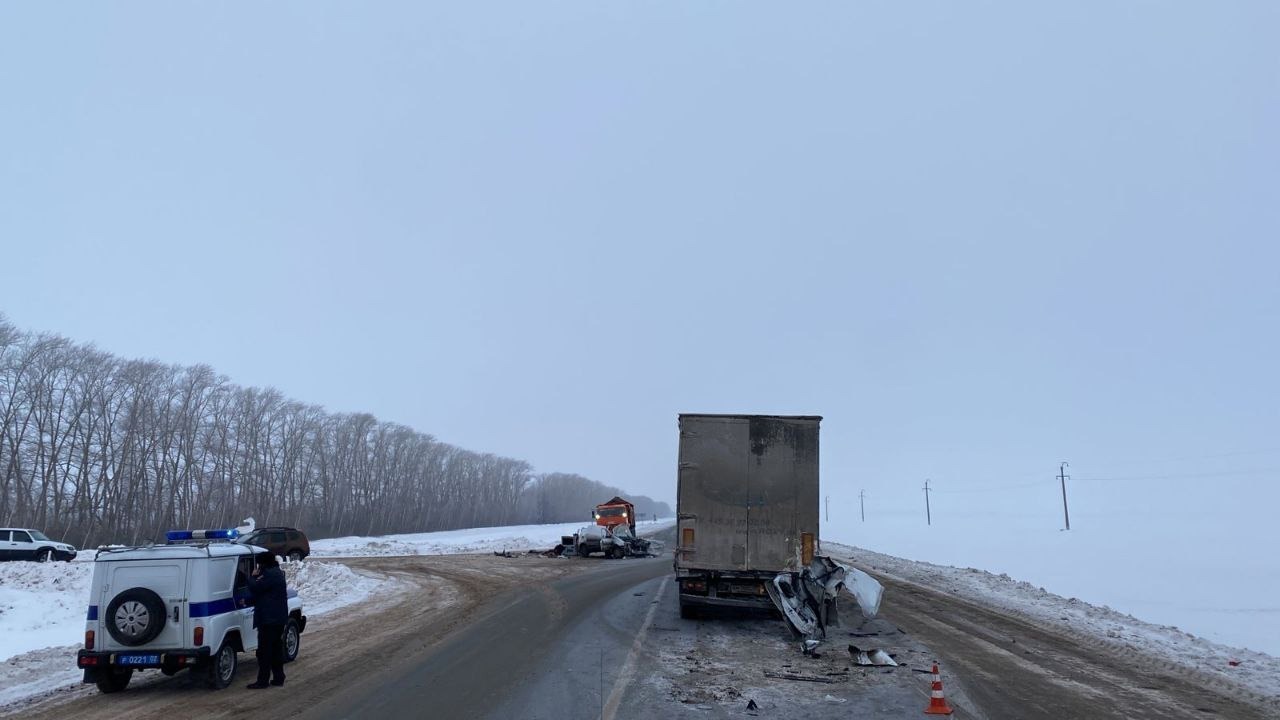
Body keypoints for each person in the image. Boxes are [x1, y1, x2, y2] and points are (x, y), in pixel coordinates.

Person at [245, 551, 288, 689]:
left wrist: (252, 577)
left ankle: (263, 681)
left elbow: (256, 588)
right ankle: (278, 677)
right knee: (275, 649)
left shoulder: (269, 575)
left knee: (264, 652)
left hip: (269, 620)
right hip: (277, 618)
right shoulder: (276, 573)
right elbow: (266, 594)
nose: (258, 566)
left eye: (259, 563)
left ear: (263, 563)